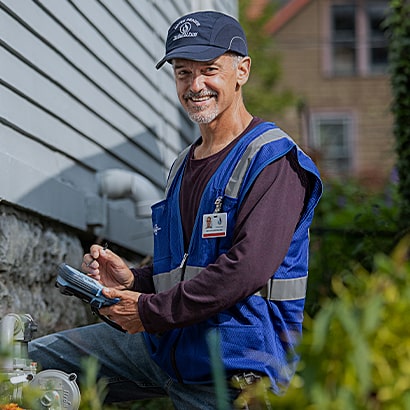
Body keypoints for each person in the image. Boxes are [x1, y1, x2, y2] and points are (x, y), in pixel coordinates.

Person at [29, 10, 322, 409]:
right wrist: (135, 281)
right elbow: (187, 266)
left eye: (209, 70)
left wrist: (148, 311)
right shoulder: (184, 164)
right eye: (183, 73)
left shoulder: (274, 161)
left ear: (243, 71)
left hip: (237, 370)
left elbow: (246, 269)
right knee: (27, 366)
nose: (195, 85)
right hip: (167, 352)